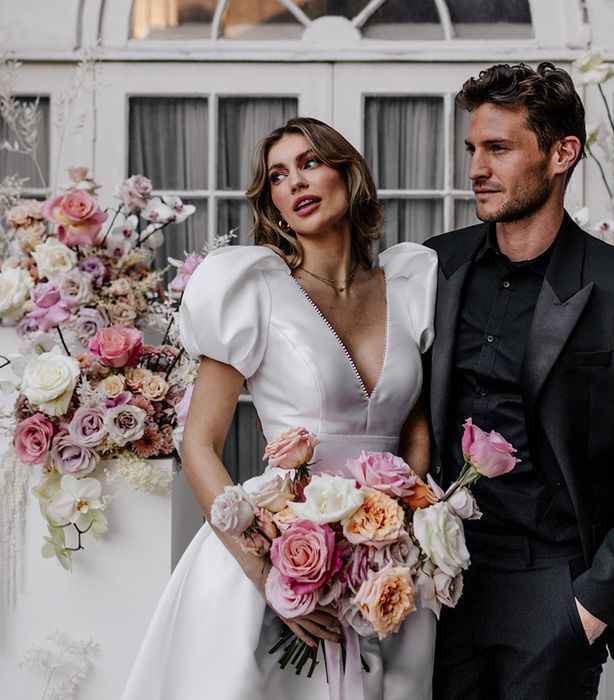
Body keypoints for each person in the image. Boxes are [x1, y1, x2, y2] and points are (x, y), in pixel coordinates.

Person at [121, 117, 438, 700]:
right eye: (277, 176)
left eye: (311, 163)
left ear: (348, 173)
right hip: (281, 549)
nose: (295, 182)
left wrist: (401, 537)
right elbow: (198, 443)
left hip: (390, 566)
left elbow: (415, 433)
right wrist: (264, 572)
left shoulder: (409, 284)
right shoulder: (254, 287)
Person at [424, 63, 614, 700]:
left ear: (562, 153)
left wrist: (591, 606)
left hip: (551, 586)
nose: (476, 169)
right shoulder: (433, 266)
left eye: (498, 148)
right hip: (433, 583)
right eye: (472, 149)